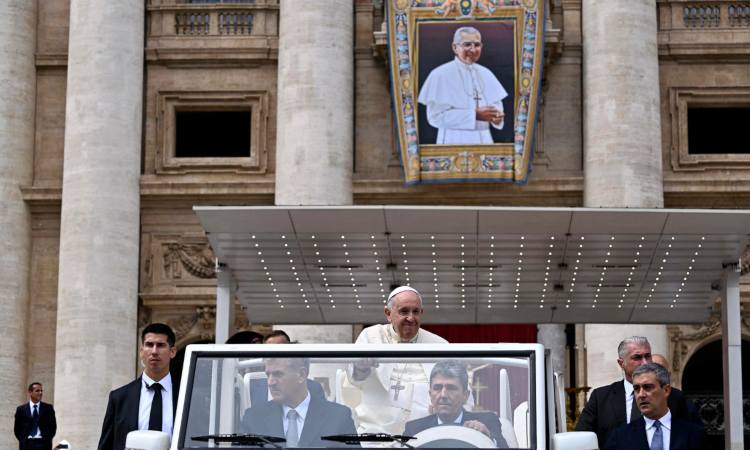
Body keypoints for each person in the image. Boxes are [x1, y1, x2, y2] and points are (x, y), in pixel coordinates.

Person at [347, 286, 447, 435]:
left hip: (425, 432)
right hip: (376, 429)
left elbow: (458, 388)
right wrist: (362, 367)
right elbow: (355, 378)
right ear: (388, 313)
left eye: (416, 312)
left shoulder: (439, 345)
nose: (411, 318)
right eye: (404, 311)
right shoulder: (371, 336)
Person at [575, 336, 692, 449]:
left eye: (648, 356)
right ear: (621, 363)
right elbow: (581, 438)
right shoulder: (600, 397)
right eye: (637, 358)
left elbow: (691, 435)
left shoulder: (674, 395)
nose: (645, 363)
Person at [418, 26, 508, 144]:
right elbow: (434, 118)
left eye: (477, 45)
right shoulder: (439, 74)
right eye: (467, 44)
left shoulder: (486, 74)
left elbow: (497, 109)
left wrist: (497, 118)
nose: (473, 49)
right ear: (455, 47)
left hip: (484, 141)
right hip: (452, 141)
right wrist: (474, 115)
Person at [241, 357, 357, 447]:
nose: (270, 382)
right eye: (268, 375)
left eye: (278, 374)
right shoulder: (253, 419)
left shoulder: (338, 417)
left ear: (301, 375)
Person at [97, 323, 178, 450]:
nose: (154, 351)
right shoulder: (119, 398)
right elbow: (106, 446)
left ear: (172, 351)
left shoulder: (187, 396)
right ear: (141, 351)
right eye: (149, 345)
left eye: (161, 345)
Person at [404, 360, 508, 448]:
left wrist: (488, 438)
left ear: (465, 396)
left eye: (451, 388)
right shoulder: (414, 429)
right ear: (430, 395)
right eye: (437, 388)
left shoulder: (487, 422)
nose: (443, 395)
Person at [604, 364, 708, 450]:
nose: (641, 394)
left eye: (647, 387)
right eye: (636, 389)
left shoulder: (694, 434)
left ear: (666, 390)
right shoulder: (620, 437)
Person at [250, 329, 326, 404]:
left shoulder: (313, 388)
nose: (273, 356)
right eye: (268, 352)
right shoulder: (254, 389)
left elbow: (321, 414)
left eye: (279, 351)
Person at [14, 382, 57, 450]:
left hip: (44, 444)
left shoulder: (48, 408)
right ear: (30, 392)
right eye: (37, 391)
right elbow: (17, 429)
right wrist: (23, 440)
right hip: (26, 444)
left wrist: (47, 438)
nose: (40, 393)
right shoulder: (21, 409)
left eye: (41, 391)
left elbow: (53, 427)